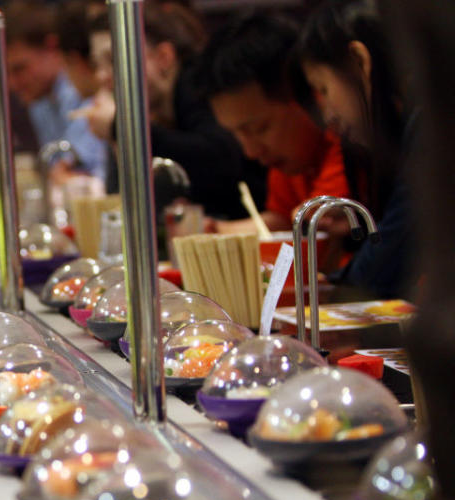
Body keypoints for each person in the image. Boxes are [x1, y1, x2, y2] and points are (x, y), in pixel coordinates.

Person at [82, 2, 265, 217]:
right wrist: (119, 135)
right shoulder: (155, 108)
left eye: (114, 61)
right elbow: (124, 199)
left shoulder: (199, 82)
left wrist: (124, 128)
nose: (101, 76)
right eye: (96, 64)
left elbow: (221, 161)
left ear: (164, 57)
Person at [297, 0, 413, 298]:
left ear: (359, 61)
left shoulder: (431, 127)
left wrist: (330, 288)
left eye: (324, 89)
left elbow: (386, 266)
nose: (327, 117)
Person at [196, 12, 352, 233]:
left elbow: (314, 222)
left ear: (310, 93)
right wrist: (216, 230)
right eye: (236, 134)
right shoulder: (292, 159)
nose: (250, 151)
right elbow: (283, 219)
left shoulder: (348, 144)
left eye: (259, 128)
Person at [4, 0, 107, 183]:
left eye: (20, 69)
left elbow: (85, 173)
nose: (12, 84)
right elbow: (56, 170)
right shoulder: (39, 102)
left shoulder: (83, 88)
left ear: (52, 47)